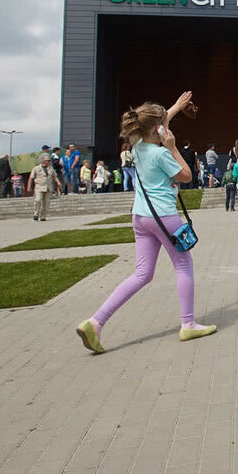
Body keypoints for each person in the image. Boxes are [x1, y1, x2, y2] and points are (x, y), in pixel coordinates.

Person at [76, 92, 216, 353]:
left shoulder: (137, 145)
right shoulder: (161, 154)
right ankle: (188, 324)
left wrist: (174, 107)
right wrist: (173, 147)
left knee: (142, 274)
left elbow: (157, 124)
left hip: (140, 216)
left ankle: (95, 322)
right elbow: (186, 176)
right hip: (164, 216)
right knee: (183, 264)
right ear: (158, 130)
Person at [27, 155, 61, 221]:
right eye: (48, 160)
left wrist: (58, 182)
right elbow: (31, 178)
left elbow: (55, 176)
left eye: (49, 161)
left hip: (48, 187)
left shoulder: (51, 168)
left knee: (46, 203)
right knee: (38, 200)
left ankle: (43, 216)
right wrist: (29, 186)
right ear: (43, 161)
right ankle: (36, 214)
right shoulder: (36, 168)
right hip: (39, 187)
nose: (49, 162)